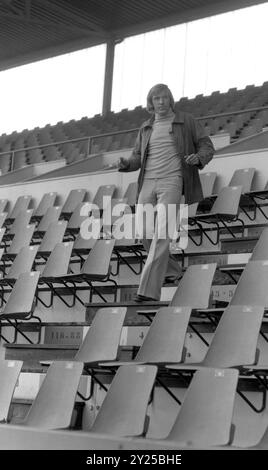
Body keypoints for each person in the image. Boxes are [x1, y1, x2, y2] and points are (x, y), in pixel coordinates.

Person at [118, 83, 215, 302]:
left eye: (164, 98)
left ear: (170, 99)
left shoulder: (186, 120)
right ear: (150, 103)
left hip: (172, 181)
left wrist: (198, 158)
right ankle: (172, 271)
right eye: (156, 99)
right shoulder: (146, 127)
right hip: (148, 183)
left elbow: (207, 146)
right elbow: (136, 157)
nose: (160, 102)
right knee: (144, 233)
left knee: (162, 234)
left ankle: (148, 291)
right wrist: (126, 164)